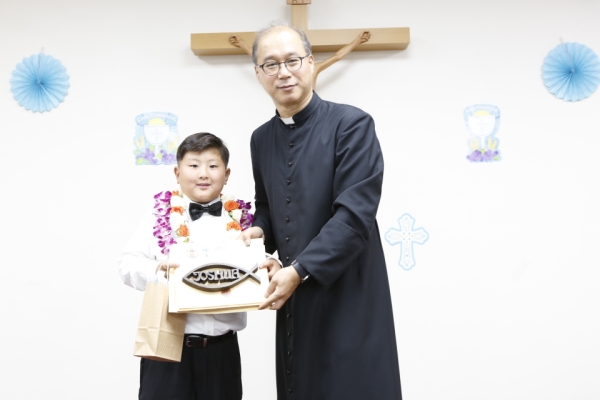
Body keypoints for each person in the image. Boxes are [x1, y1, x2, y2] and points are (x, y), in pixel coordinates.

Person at [239, 22, 402, 399]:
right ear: (258, 74)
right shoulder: (261, 139)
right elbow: (268, 206)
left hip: (349, 294)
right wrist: (259, 232)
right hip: (296, 301)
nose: (283, 72)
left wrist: (299, 270)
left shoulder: (352, 124)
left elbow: (354, 217)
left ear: (311, 63)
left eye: (292, 60)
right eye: (271, 64)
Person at [119, 132, 245, 400]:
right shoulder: (158, 216)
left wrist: (271, 264)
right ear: (177, 173)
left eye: (213, 165)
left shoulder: (241, 220)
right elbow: (127, 265)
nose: (203, 174)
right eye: (194, 165)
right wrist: (158, 271)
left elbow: (260, 260)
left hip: (222, 352)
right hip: (168, 346)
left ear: (226, 174)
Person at [229, 30, 371, 89]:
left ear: (309, 60)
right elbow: (262, 60)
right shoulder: (279, 69)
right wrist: (241, 44)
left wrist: (357, 40)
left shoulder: (314, 68)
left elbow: (337, 56)